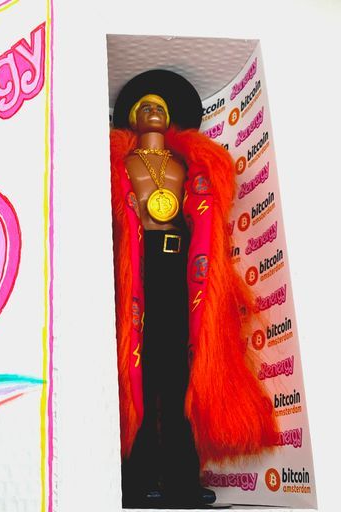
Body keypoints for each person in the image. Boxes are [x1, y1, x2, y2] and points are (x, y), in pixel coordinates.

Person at [110, 70, 277, 508]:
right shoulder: (117, 162)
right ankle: (137, 478)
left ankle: (182, 479)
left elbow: (204, 213)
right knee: (138, 374)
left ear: (171, 119)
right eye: (144, 105)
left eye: (160, 107)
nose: (152, 110)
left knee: (178, 374)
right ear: (130, 116)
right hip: (134, 269)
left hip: (181, 268)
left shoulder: (189, 164)